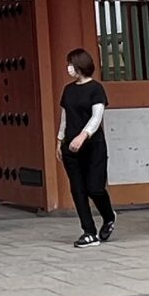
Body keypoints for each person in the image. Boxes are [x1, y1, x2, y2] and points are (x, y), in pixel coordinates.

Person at [58, 50, 117, 246]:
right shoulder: (68, 90)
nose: (68, 68)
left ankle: (109, 216)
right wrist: (60, 141)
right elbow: (65, 117)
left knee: (95, 188)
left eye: (71, 64)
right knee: (78, 189)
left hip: (93, 146)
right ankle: (88, 231)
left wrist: (83, 136)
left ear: (80, 65)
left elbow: (96, 117)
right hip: (71, 148)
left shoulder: (96, 89)